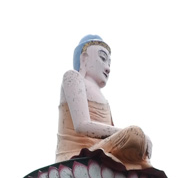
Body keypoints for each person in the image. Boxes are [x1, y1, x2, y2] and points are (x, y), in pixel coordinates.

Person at [56, 34, 153, 168]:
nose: (108, 68)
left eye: (109, 63)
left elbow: (110, 139)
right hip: (75, 157)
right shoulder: (73, 78)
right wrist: (127, 133)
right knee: (135, 135)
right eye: (102, 58)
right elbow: (81, 125)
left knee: (136, 142)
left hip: (101, 151)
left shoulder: (104, 100)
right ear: (84, 58)